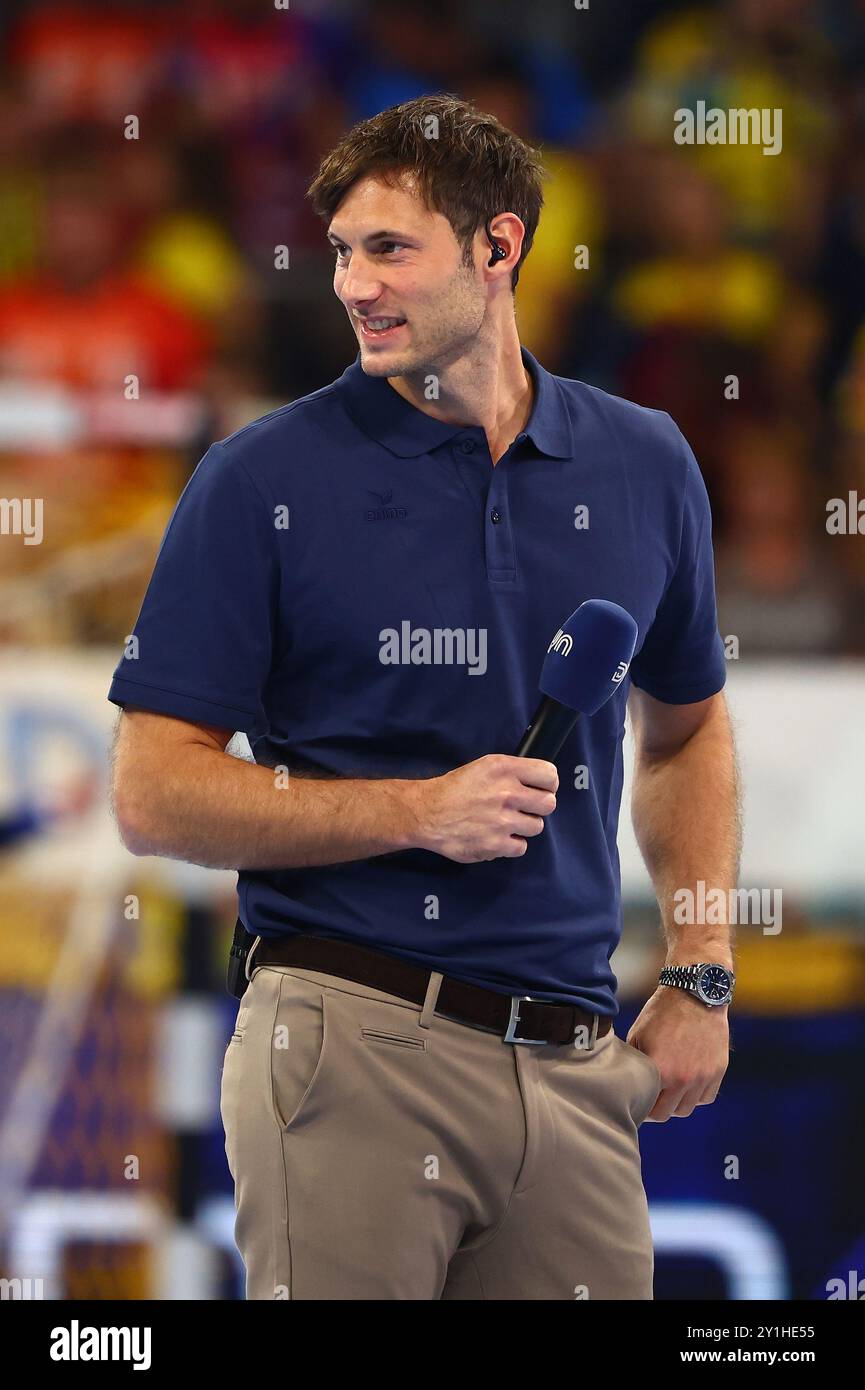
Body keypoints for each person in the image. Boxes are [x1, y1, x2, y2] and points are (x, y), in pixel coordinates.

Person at [108, 94, 739, 1300]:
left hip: (573, 1060)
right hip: (350, 1036)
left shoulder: (646, 460)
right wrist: (414, 811)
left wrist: (700, 964)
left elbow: (690, 727)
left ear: (498, 249)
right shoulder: (260, 478)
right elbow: (152, 791)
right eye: (342, 251)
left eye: (388, 248)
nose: (352, 284)